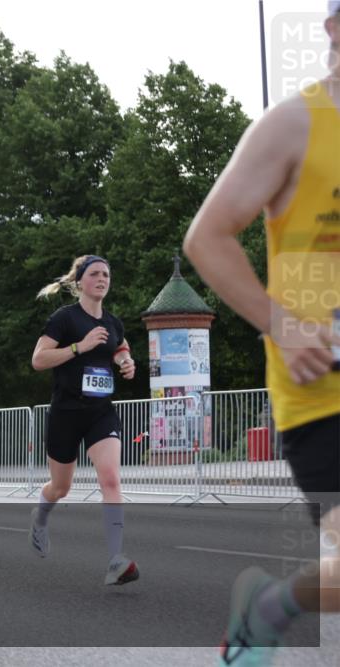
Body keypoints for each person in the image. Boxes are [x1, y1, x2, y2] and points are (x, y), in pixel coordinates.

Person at [184, 4, 340, 662]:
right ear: (333, 29)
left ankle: (273, 604)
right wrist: (281, 321)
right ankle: (269, 607)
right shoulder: (295, 123)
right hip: (322, 389)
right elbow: (207, 237)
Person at [30, 255, 139, 586]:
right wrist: (80, 346)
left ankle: (116, 559)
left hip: (100, 412)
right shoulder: (64, 319)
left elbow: (121, 347)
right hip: (66, 412)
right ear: (79, 282)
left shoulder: (113, 322)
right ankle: (40, 516)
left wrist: (126, 361)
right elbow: (38, 359)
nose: (102, 278)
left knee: (110, 479)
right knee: (61, 487)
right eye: (95, 274)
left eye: (106, 274)